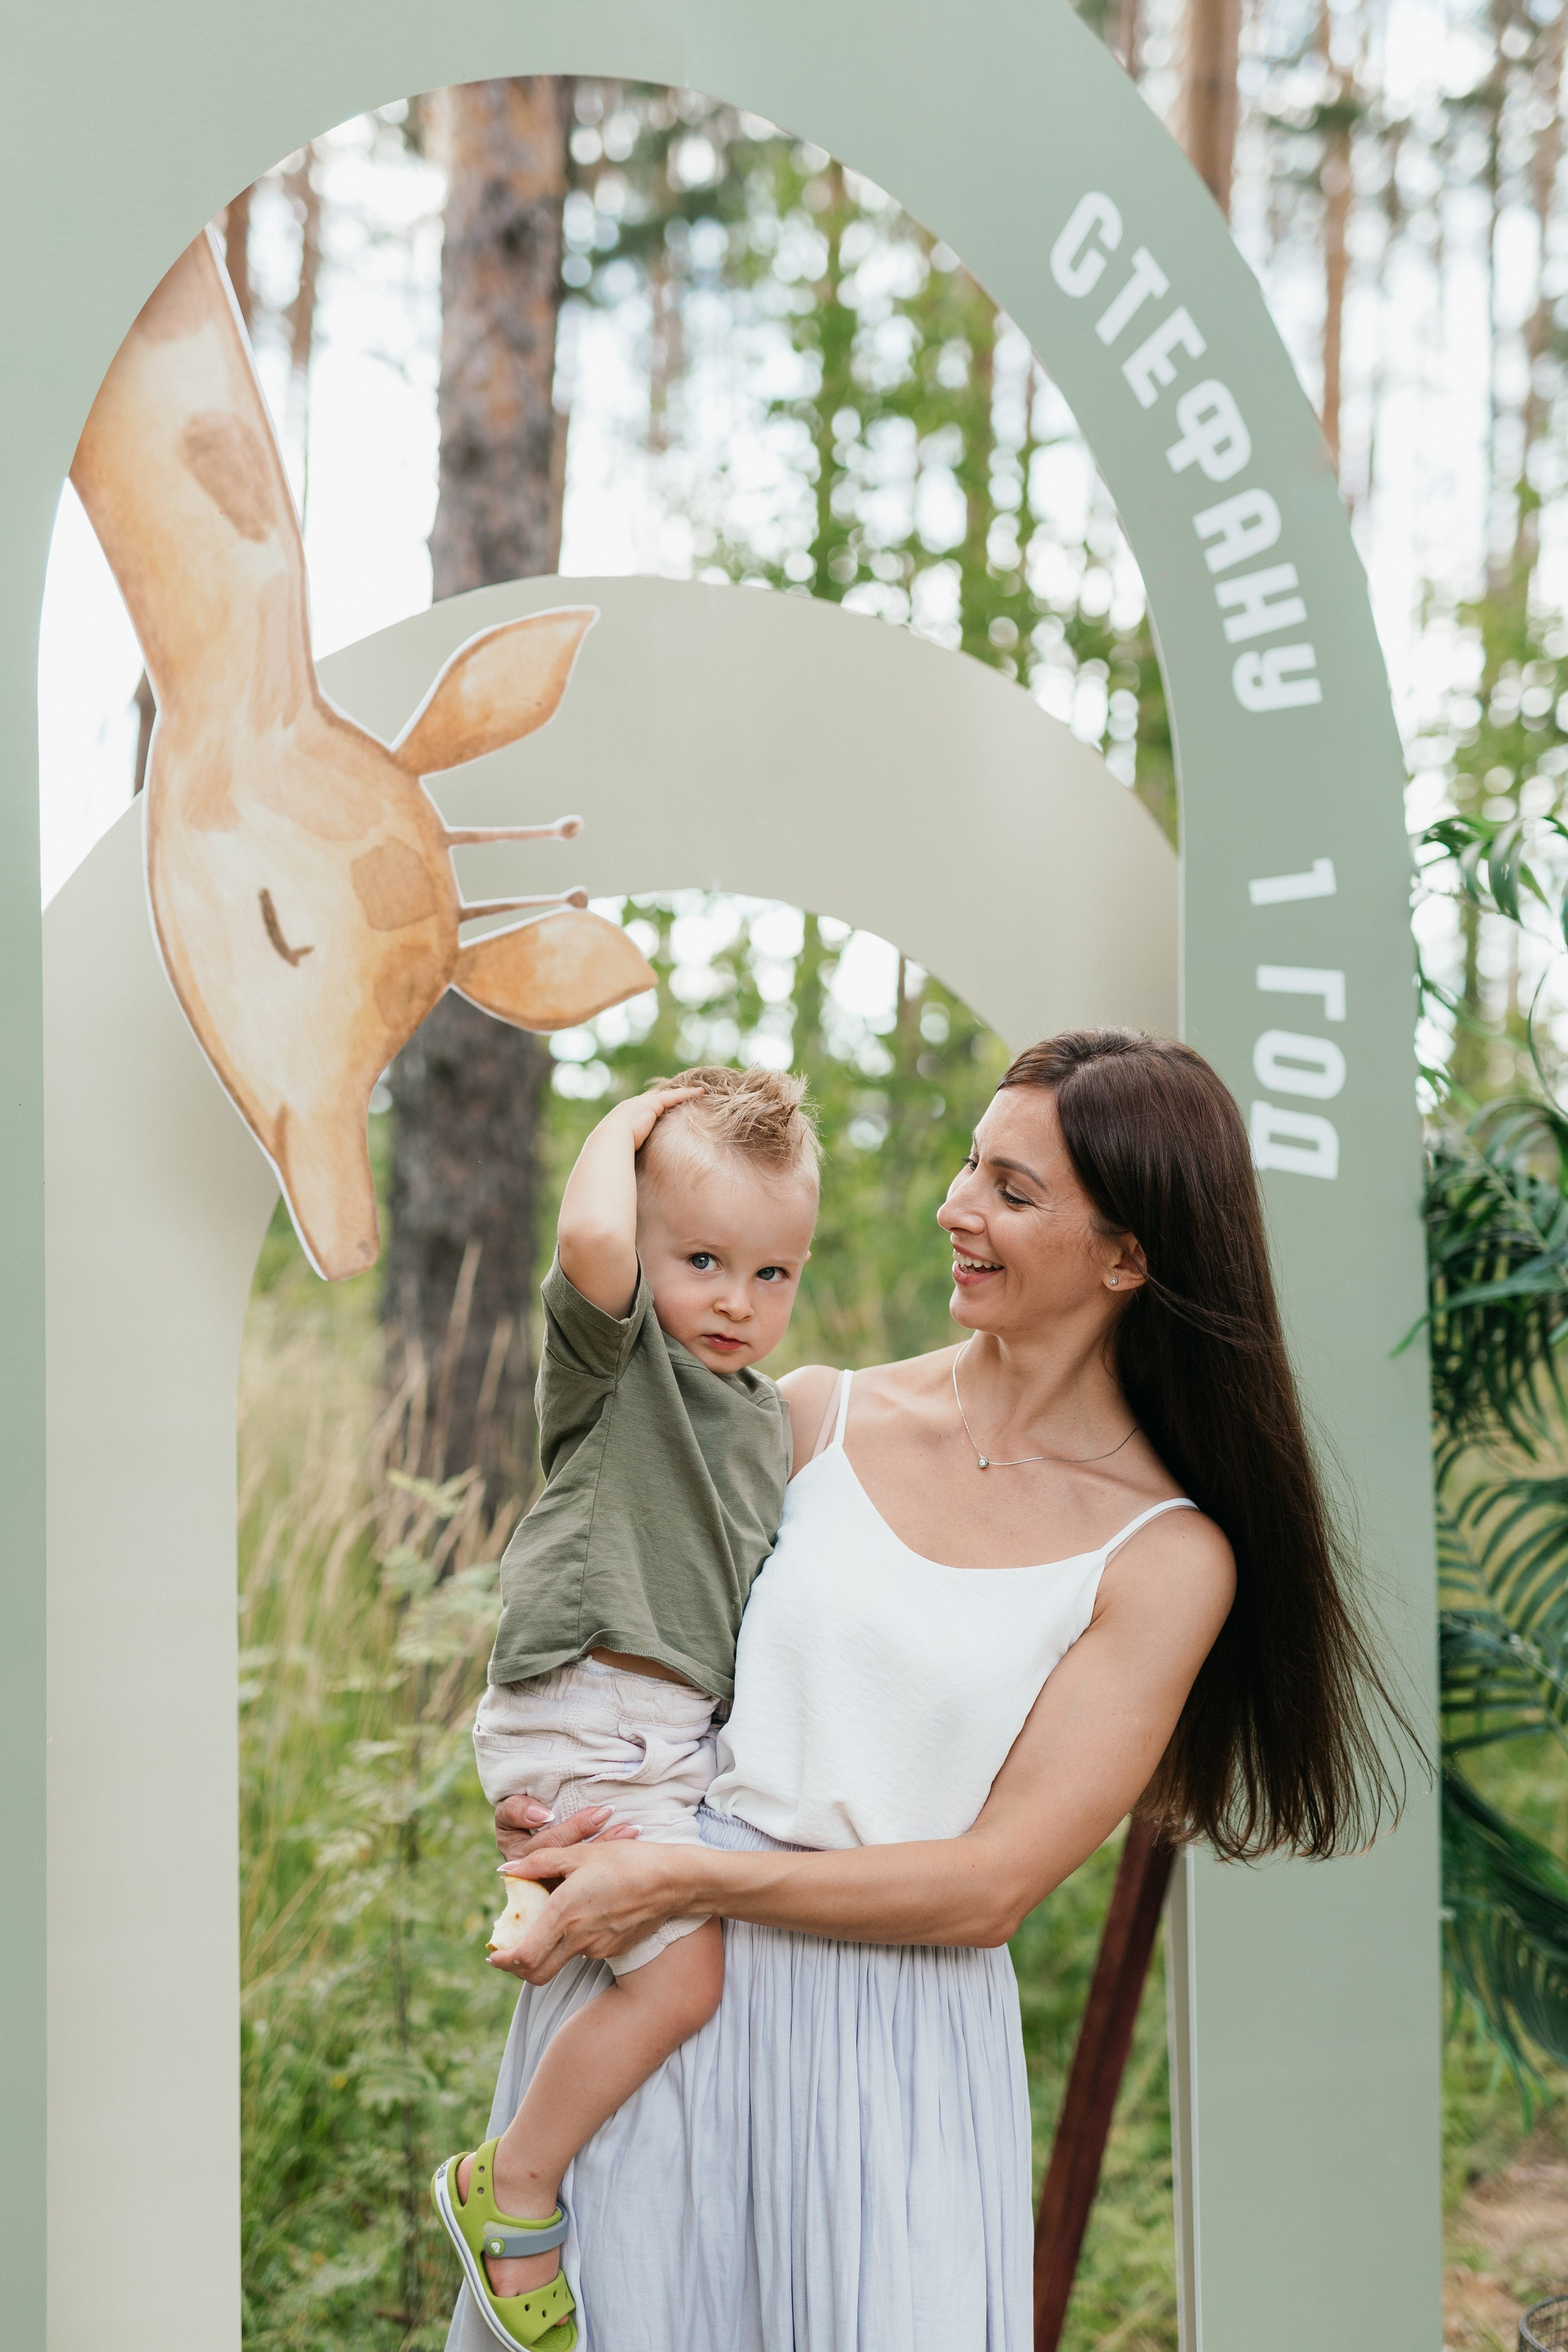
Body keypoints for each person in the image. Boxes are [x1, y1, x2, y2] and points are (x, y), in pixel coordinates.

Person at [451, 1028, 1409, 2352]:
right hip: (654, 2006)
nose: (957, 1207)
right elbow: (641, 1658)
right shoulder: (803, 1416)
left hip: (884, 2055)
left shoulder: (1166, 1558)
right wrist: (562, 1810)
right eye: (969, 1165)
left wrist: (683, 1879)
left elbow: (990, 1886)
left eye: (1012, 1191)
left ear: (1127, 1257)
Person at [432, 1065, 821, 2352]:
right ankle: (514, 2182)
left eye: (771, 1273)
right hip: (590, 1695)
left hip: (650, 1732)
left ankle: (539, 1925)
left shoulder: (760, 1415)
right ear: (649, 1256)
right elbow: (596, 1237)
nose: (737, 1300)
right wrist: (631, 1117)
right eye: (701, 1260)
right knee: (682, 1986)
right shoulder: (621, 1361)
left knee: (651, 1954)